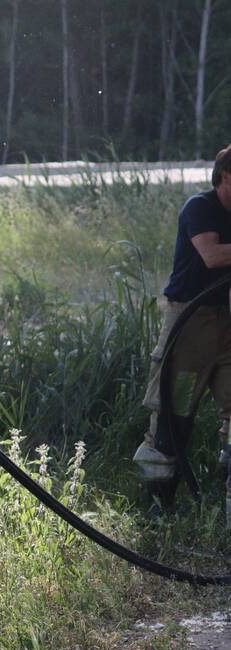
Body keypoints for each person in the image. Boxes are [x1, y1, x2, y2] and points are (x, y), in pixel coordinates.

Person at [134, 144, 231, 521]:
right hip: (188, 326)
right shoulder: (200, 208)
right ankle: (159, 506)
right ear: (226, 177)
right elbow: (213, 255)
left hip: (225, 322)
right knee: (174, 412)